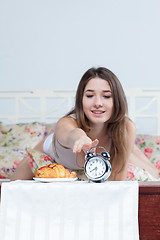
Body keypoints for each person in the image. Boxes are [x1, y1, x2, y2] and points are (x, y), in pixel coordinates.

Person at [11, 67, 159, 181]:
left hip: (112, 134)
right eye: (89, 95)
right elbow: (71, 134)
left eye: (106, 96)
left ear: (117, 100)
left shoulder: (126, 127)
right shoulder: (67, 123)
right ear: (81, 99)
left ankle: (129, 150)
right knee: (13, 184)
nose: (98, 103)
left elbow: (118, 180)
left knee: (153, 174)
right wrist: (80, 139)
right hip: (56, 147)